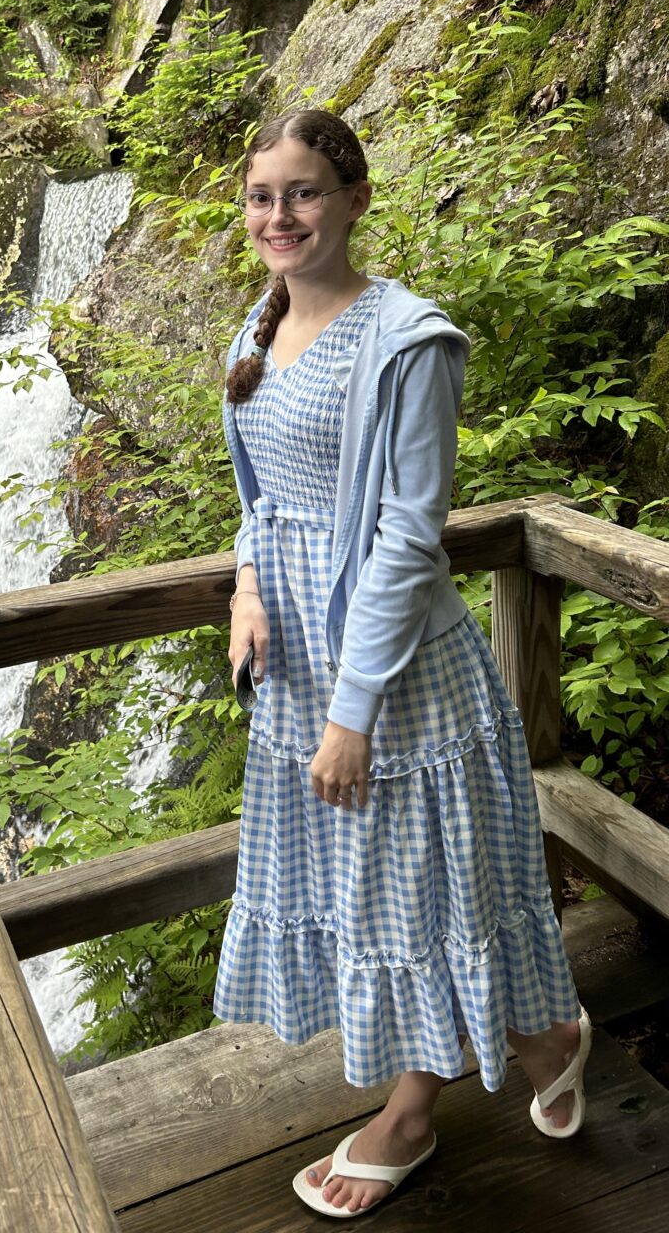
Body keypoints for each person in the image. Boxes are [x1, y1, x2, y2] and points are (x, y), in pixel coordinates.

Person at [213, 109, 590, 1219]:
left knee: (413, 891)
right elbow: (264, 501)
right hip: (294, 666)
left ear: (354, 199)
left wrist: (353, 713)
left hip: (392, 676)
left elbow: (407, 534)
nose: (279, 216)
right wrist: (244, 587)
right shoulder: (257, 325)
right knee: (384, 889)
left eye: (304, 192)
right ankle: (546, 1035)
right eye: (262, 196)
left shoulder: (411, 341)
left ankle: (410, 1114)